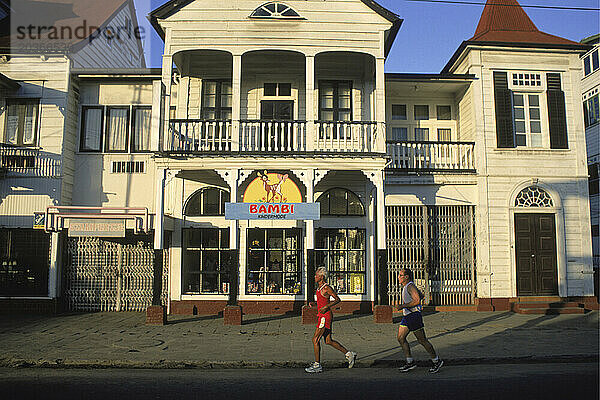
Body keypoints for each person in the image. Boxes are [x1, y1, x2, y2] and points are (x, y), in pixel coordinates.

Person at [305, 267, 357, 373]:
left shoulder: (326, 288)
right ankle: (349, 354)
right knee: (328, 341)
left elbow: (337, 299)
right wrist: (315, 304)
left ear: (322, 276)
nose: (314, 277)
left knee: (315, 339)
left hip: (325, 316)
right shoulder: (319, 288)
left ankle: (317, 365)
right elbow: (322, 301)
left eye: (316, 275)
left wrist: (326, 307)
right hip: (321, 315)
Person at [395, 268, 443, 373]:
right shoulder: (408, 286)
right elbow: (419, 296)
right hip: (407, 317)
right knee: (401, 338)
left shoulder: (410, 286)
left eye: (400, 275)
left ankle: (436, 361)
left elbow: (416, 301)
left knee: (422, 340)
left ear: (406, 277)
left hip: (413, 316)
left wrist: (402, 306)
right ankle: (410, 362)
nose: (398, 277)